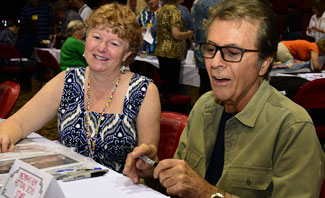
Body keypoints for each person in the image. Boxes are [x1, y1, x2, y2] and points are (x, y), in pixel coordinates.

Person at [123, 0, 325, 197]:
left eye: (232, 52)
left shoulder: (292, 128)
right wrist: (154, 173)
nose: (215, 63)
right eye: (211, 50)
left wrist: (208, 193)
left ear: (264, 63)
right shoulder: (204, 106)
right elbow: (182, 188)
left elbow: (198, 189)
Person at [0, 3, 161, 174]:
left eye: (114, 43)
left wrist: (146, 163)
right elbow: (18, 123)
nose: (101, 48)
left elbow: (148, 163)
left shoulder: (144, 91)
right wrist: (5, 136)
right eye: (97, 37)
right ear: (85, 39)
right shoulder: (67, 81)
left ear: (127, 53)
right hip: (66, 184)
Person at [154, 0, 193, 96]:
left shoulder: (162, 9)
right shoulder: (174, 10)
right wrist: (189, 34)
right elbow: (176, 34)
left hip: (161, 51)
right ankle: (173, 110)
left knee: (166, 87)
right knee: (172, 89)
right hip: (172, 52)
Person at [191, 0, 222, 96]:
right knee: (213, 87)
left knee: (205, 85)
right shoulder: (212, 3)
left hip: (202, 48)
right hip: (213, 48)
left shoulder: (197, 2)